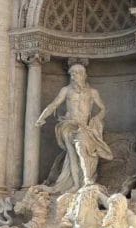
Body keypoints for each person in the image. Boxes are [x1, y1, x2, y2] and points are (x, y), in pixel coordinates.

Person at [35, 64, 113, 194]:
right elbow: (54, 104)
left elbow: (103, 108)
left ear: (83, 75)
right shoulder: (66, 90)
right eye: (71, 74)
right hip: (68, 125)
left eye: (75, 74)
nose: (73, 77)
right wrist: (41, 118)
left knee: (81, 149)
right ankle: (77, 184)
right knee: (73, 153)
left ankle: (87, 180)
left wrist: (96, 119)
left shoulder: (92, 92)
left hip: (84, 126)